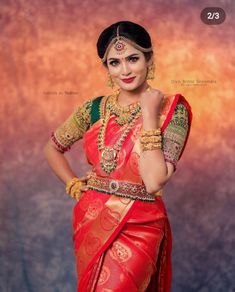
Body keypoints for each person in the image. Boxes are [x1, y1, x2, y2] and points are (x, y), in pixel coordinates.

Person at [44, 20, 193, 292]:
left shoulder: (174, 111)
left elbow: (154, 181)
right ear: (106, 67)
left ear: (149, 58)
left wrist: (149, 113)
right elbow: (52, 147)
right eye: (115, 62)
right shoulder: (93, 110)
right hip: (91, 219)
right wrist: (75, 185)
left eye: (133, 58)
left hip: (142, 225)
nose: (124, 70)